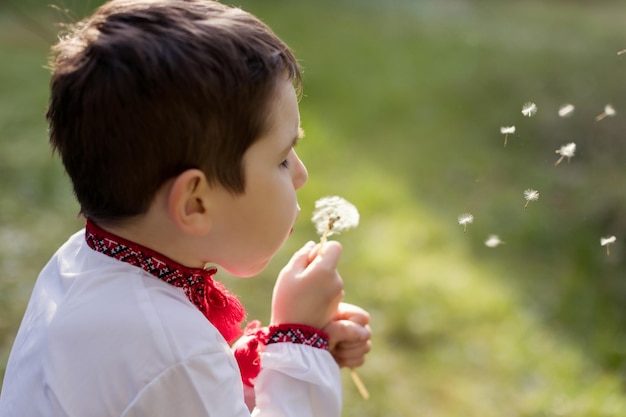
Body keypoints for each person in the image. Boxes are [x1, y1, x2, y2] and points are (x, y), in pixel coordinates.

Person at [0, 0, 371, 416]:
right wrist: (299, 342)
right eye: (283, 158)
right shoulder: (173, 353)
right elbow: (176, 370)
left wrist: (280, 351)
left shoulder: (81, 264)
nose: (301, 174)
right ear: (195, 203)